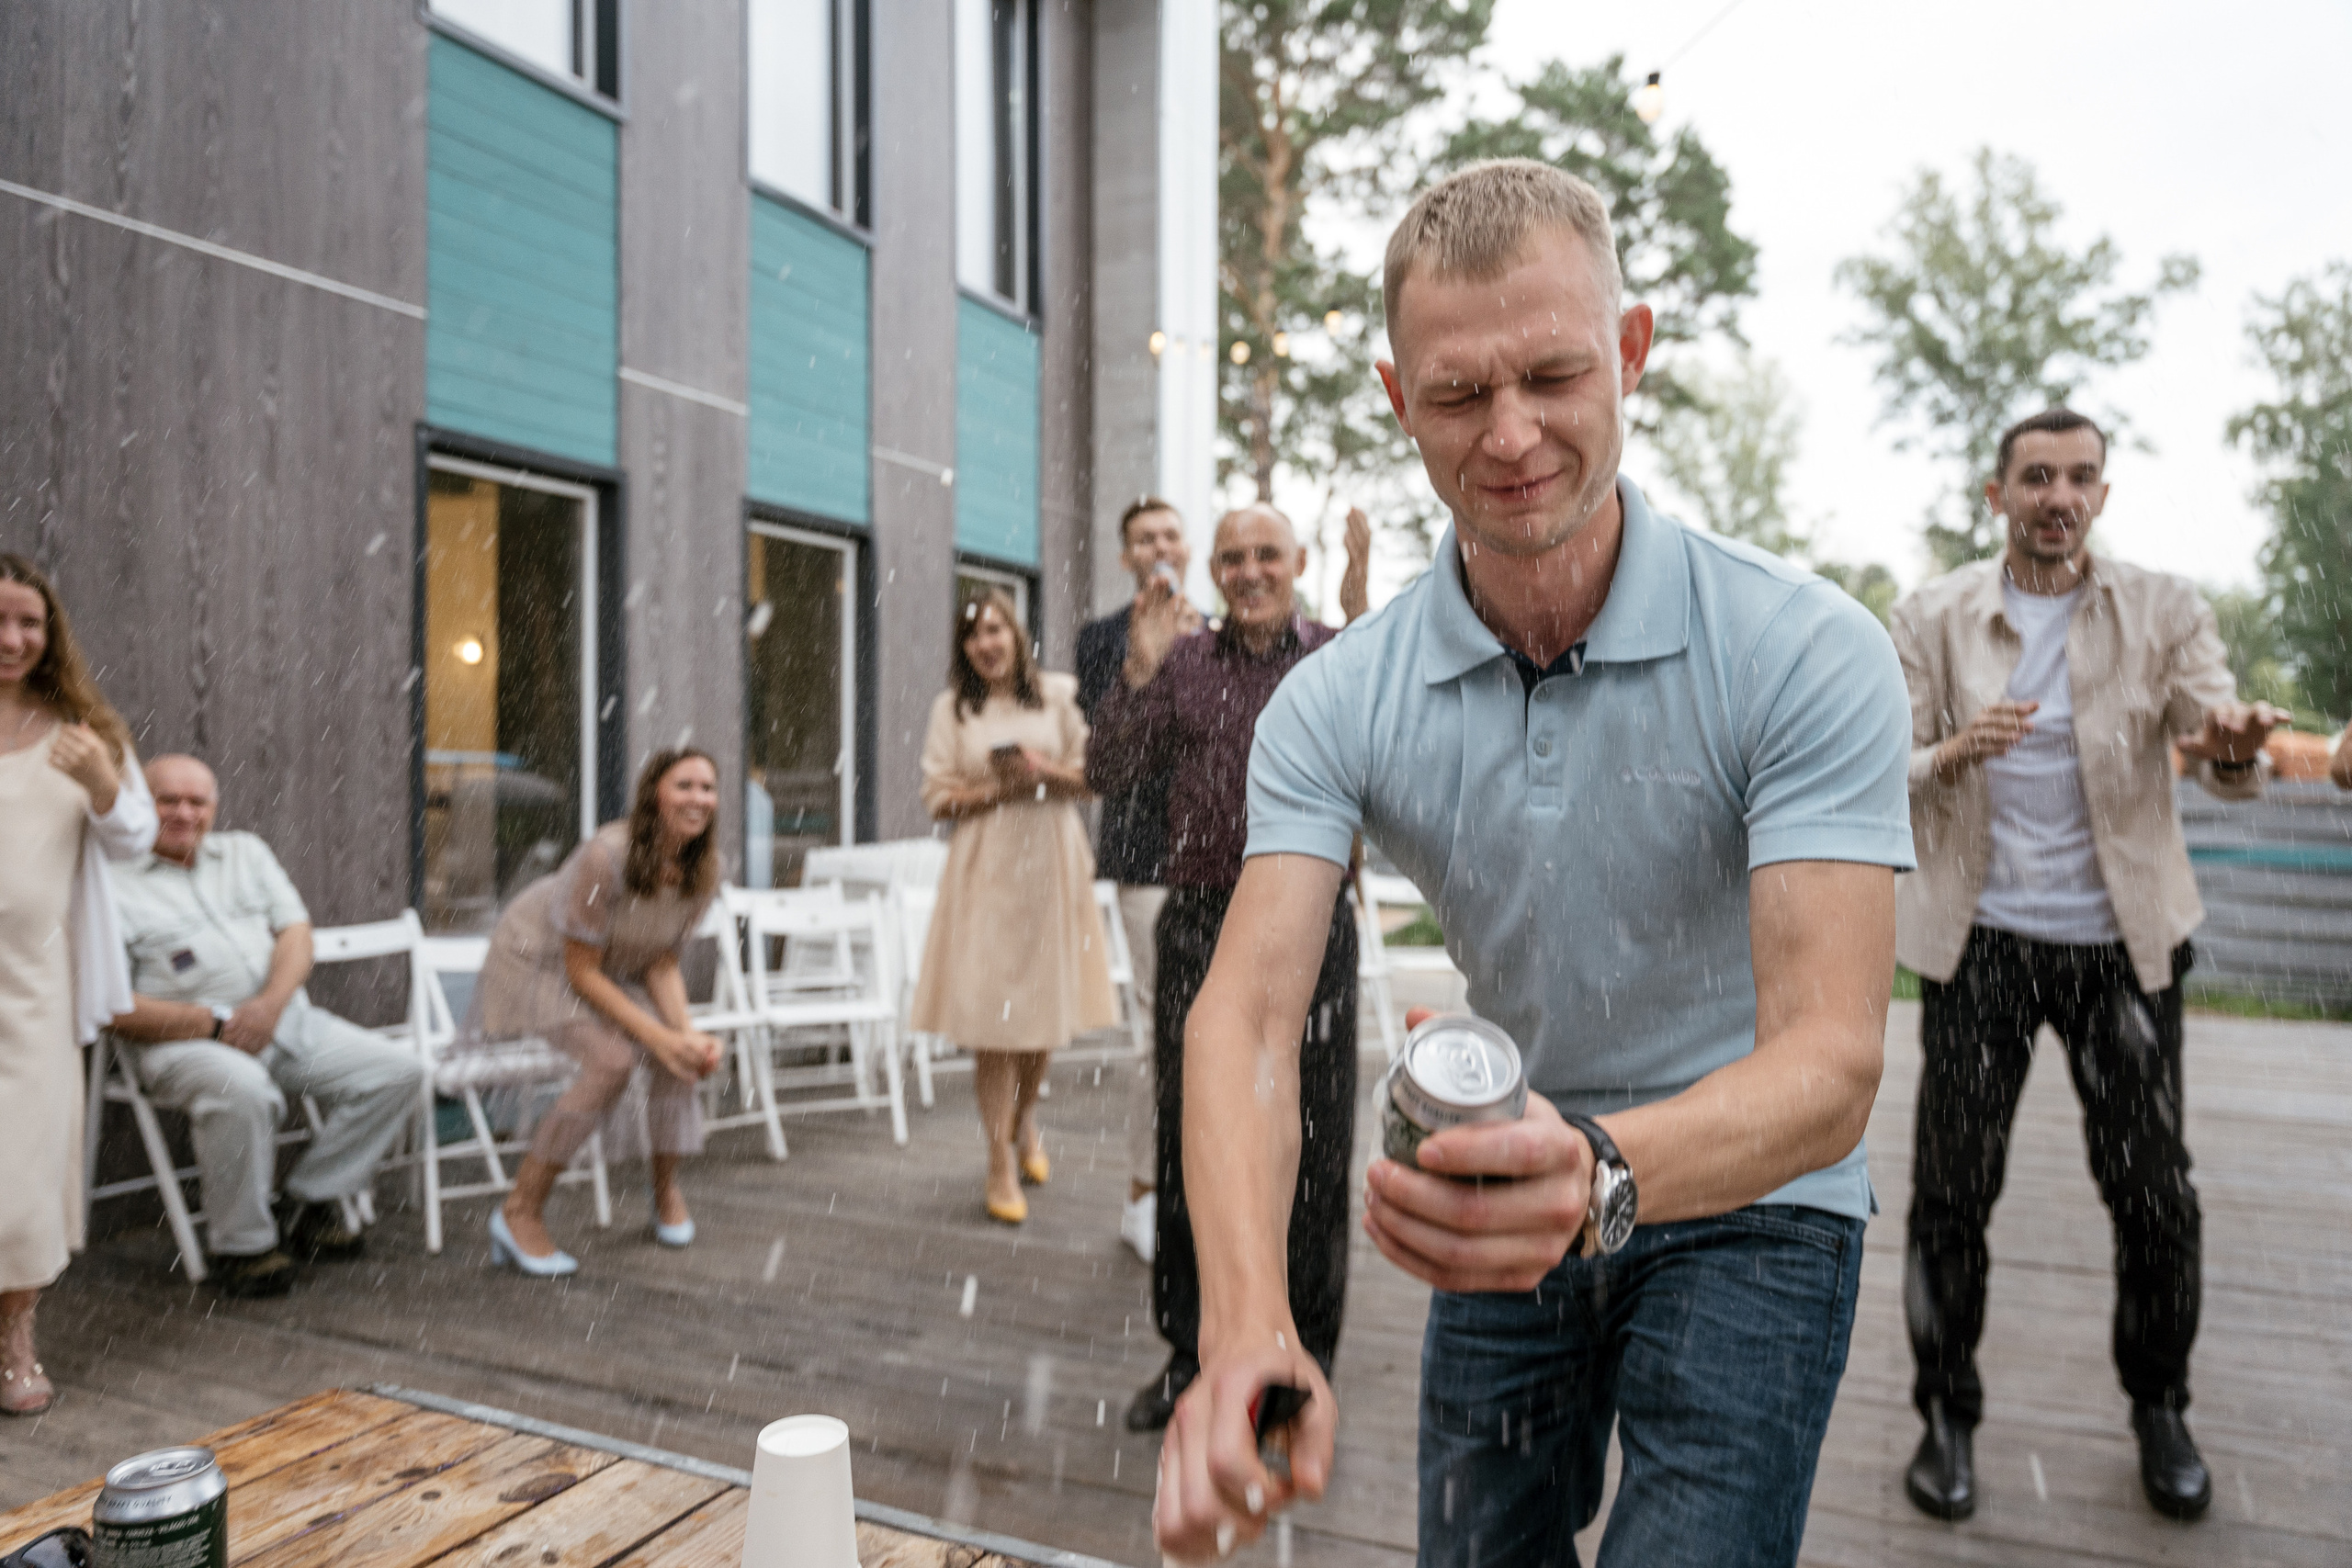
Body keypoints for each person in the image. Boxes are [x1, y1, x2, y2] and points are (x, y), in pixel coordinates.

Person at [1152, 160, 1917, 1567]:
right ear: (1397, 397)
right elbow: (1247, 1013)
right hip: (1509, 1171)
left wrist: (1601, 1170)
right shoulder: (1337, 697)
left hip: (1760, 1192)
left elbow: (1832, 1060)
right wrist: (1247, 1321)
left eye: (1554, 374)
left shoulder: (1807, 646)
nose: (1510, 435)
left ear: (1629, 351)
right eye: (1456, 395)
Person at [1888, 408, 2284, 1523]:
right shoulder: (1931, 617)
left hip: (2123, 948)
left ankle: (2160, 1409)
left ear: (2102, 497)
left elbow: (2220, 751)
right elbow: (1887, 763)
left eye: (2080, 478)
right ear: (1996, 495)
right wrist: (1950, 751)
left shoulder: (2164, 609)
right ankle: (1944, 1419)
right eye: (2036, 477)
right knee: (1951, 1198)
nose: (2059, 495)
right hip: (1980, 950)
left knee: (2155, 1198)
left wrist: (2236, 741)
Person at [1087, 503, 1360, 1436]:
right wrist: (1137, 666)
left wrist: (1369, 630)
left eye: (1266, 555)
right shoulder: (1185, 665)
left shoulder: (1340, 656)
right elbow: (1108, 768)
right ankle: (1192, 1355)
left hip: (1313, 925)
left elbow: (1395, 762)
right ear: (1212, 567)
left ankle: (1300, 1365)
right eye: (1232, 557)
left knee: (1315, 1148)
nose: (1249, 571)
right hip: (1200, 921)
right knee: (1188, 1139)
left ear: (1298, 563)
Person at [109, 756, 427, 1298]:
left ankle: (305, 1201)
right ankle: (244, 1247)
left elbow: (296, 934)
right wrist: (211, 1021)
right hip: (179, 1041)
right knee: (244, 1090)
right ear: (139, 802)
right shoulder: (109, 883)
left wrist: (270, 1006)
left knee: (399, 1072)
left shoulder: (245, 853)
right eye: (168, 800)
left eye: (197, 801)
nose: (184, 813)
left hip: (282, 1021)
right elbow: (110, 1004)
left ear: (214, 808)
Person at [468, 748, 728, 1277]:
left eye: (707, 788)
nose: (698, 799)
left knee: (678, 1057)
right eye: (684, 786)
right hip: (538, 961)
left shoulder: (706, 867)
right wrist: (655, 1036)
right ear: (655, 794)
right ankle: (519, 1212)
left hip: (612, 967)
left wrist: (685, 1034)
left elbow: (661, 962)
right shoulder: (605, 856)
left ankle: (664, 1190)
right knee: (612, 1061)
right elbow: (580, 970)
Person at [0, 554, 155, 1417]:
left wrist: (103, 785)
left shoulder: (80, 730)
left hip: (31, 986)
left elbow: (134, 838)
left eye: (28, 622)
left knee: (19, 1168)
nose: (13, 638)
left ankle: (14, 1342)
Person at [911, 591, 1117, 1224]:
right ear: (964, 649)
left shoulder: (1058, 694)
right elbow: (937, 798)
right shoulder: (953, 708)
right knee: (991, 1023)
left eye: (996, 629)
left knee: (1041, 1013)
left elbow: (1095, 776)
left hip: (1051, 864)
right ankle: (997, 1156)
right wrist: (993, 789)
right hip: (985, 869)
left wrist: (1040, 772)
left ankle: (1027, 1116)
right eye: (974, 635)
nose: (987, 643)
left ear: (1015, 634)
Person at [1076, 498, 1202, 1264]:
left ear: (1185, 549)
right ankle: (1142, 1193)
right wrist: (1149, 658)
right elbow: (1110, 743)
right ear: (1126, 557)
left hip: (1216, 852)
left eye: (1168, 535)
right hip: (1143, 853)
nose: (1158, 547)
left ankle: (1206, 1188)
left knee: (1213, 1026)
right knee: (1161, 1027)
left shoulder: (1218, 628)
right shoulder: (1101, 637)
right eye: (1143, 538)